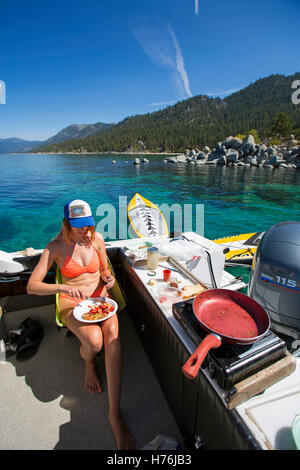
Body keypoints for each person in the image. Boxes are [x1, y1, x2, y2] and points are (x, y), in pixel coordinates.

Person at [26, 199, 135, 450]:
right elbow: (32, 286)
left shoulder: (97, 240)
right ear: (66, 223)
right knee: (94, 343)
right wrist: (64, 286)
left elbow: (105, 269)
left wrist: (107, 279)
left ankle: (114, 414)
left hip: (100, 299)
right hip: (70, 302)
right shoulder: (54, 247)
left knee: (113, 337)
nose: (85, 232)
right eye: (78, 227)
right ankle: (88, 362)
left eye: (88, 226)